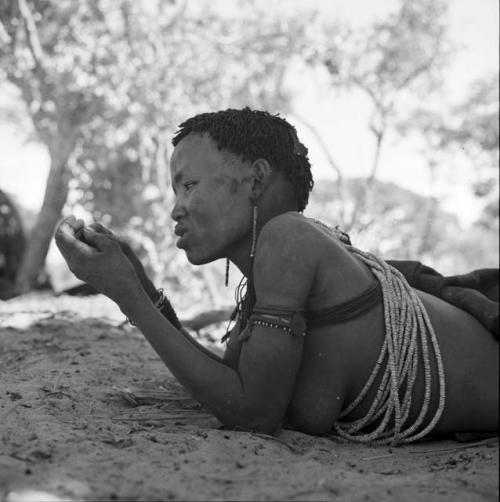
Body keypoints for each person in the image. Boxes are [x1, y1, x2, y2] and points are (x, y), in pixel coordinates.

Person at [55, 108, 499, 446]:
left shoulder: (289, 238)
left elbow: (253, 414)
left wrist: (129, 297)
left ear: (256, 180)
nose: (176, 208)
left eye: (188, 185)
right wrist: (138, 284)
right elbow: (223, 385)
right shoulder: (271, 280)